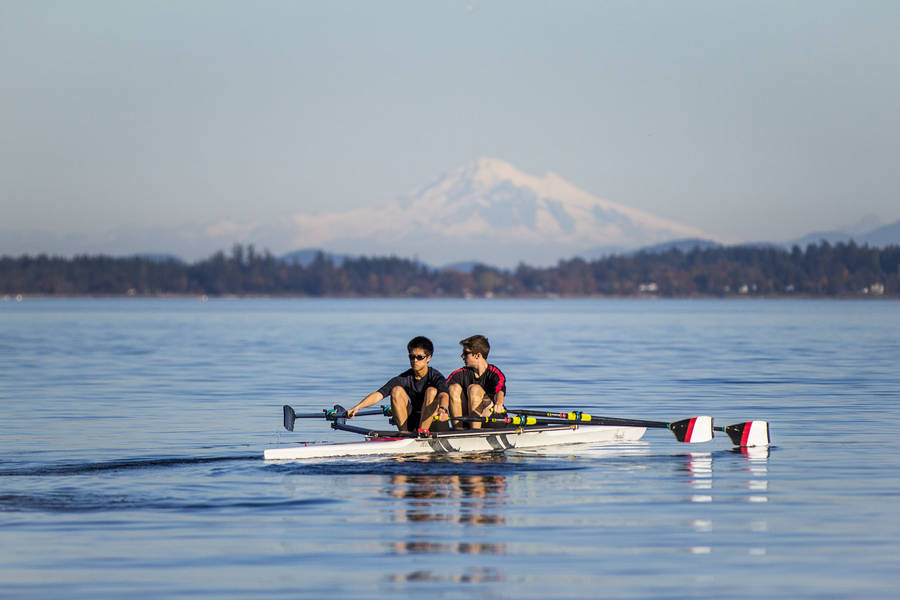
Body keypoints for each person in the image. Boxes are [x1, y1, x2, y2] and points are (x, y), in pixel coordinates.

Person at [346, 336, 451, 432]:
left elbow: (444, 395)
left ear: (428, 358)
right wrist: (357, 407)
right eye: (412, 357)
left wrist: (443, 410)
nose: (415, 360)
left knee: (431, 391)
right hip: (414, 422)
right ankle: (403, 433)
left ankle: (422, 432)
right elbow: (379, 394)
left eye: (420, 357)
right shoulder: (404, 378)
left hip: (435, 423)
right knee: (396, 390)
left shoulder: (436, 377)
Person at [446, 335, 506, 429]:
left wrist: (499, 403)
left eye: (465, 353)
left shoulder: (495, 373)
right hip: (468, 419)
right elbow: (442, 389)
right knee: (453, 388)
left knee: (474, 389)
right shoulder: (460, 374)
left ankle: (474, 432)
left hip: (492, 417)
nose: (462, 356)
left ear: (478, 355)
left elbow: (500, 391)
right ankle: (458, 430)